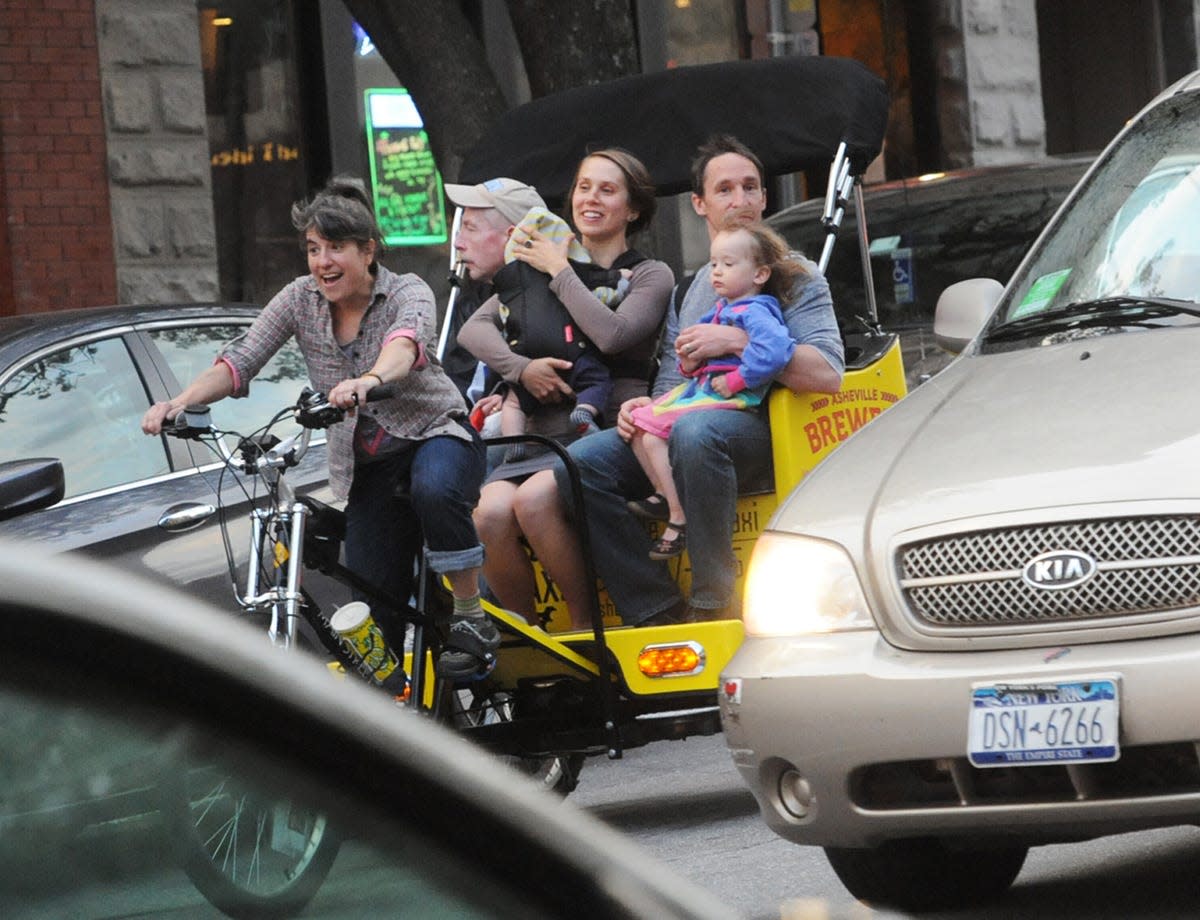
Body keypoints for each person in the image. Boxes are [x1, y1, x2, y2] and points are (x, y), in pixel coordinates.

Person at [141, 176, 499, 681]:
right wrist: (179, 402)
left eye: (335, 248)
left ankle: (471, 617)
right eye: (313, 249)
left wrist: (368, 379)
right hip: (368, 470)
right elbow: (241, 358)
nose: (322, 262)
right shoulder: (298, 299)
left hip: (435, 434)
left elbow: (405, 345)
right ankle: (398, 720)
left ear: (367, 250)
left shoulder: (406, 291)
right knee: (374, 604)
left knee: (434, 487)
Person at [531, 134, 844, 626]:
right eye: (724, 190)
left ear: (764, 198)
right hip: (697, 418)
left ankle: (714, 596)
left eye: (750, 188)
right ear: (700, 204)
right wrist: (645, 411)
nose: (739, 201)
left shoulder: (795, 274)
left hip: (763, 424)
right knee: (579, 463)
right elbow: (673, 382)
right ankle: (653, 608)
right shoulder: (694, 287)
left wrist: (737, 343)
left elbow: (827, 374)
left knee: (697, 433)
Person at [458, 148, 674, 629]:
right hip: (542, 426)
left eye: (607, 189)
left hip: (607, 423)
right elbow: (473, 330)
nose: (590, 198)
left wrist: (561, 270)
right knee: (488, 514)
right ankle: (523, 629)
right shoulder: (535, 267)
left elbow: (613, 334)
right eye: (583, 187)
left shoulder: (648, 274)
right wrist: (521, 368)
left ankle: (582, 625)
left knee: (533, 501)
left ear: (633, 209)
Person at [626, 220, 803, 561]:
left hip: (733, 396)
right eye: (714, 264)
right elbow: (697, 353)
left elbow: (777, 352)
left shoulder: (757, 311)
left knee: (651, 434)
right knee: (639, 423)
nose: (716, 272)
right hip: (705, 387)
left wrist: (737, 380)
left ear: (760, 274)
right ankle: (667, 496)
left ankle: (678, 516)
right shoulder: (721, 309)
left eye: (728, 264)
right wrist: (688, 361)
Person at [493, 205, 634, 461]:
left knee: (513, 402)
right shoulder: (579, 272)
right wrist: (621, 284)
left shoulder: (511, 281)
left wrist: (518, 356)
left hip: (527, 348)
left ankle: (514, 443)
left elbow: (503, 314)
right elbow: (603, 296)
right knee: (596, 380)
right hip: (571, 350)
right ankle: (584, 411)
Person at [441, 178, 547, 403]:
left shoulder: (557, 299)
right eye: (460, 229)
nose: (458, 243)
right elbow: (455, 388)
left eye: (470, 228)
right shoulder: (471, 301)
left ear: (513, 236)